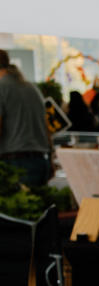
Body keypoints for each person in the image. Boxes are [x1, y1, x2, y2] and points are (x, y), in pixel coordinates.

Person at [0, 49, 53, 187]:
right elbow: (46, 127)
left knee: (14, 208)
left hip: (15, 164)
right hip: (41, 161)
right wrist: (51, 158)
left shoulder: (2, 87)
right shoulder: (31, 87)